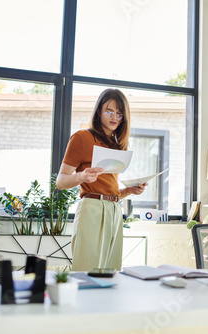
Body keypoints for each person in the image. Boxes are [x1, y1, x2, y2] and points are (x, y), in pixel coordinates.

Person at [57, 88, 147, 271]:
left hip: (114, 209)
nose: (114, 117)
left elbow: (108, 191)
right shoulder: (82, 138)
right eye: (109, 111)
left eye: (120, 114)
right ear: (99, 111)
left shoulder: (116, 145)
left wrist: (129, 190)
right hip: (92, 209)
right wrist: (82, 176)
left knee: (111, 271)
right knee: (86, 270)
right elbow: (61, 181)